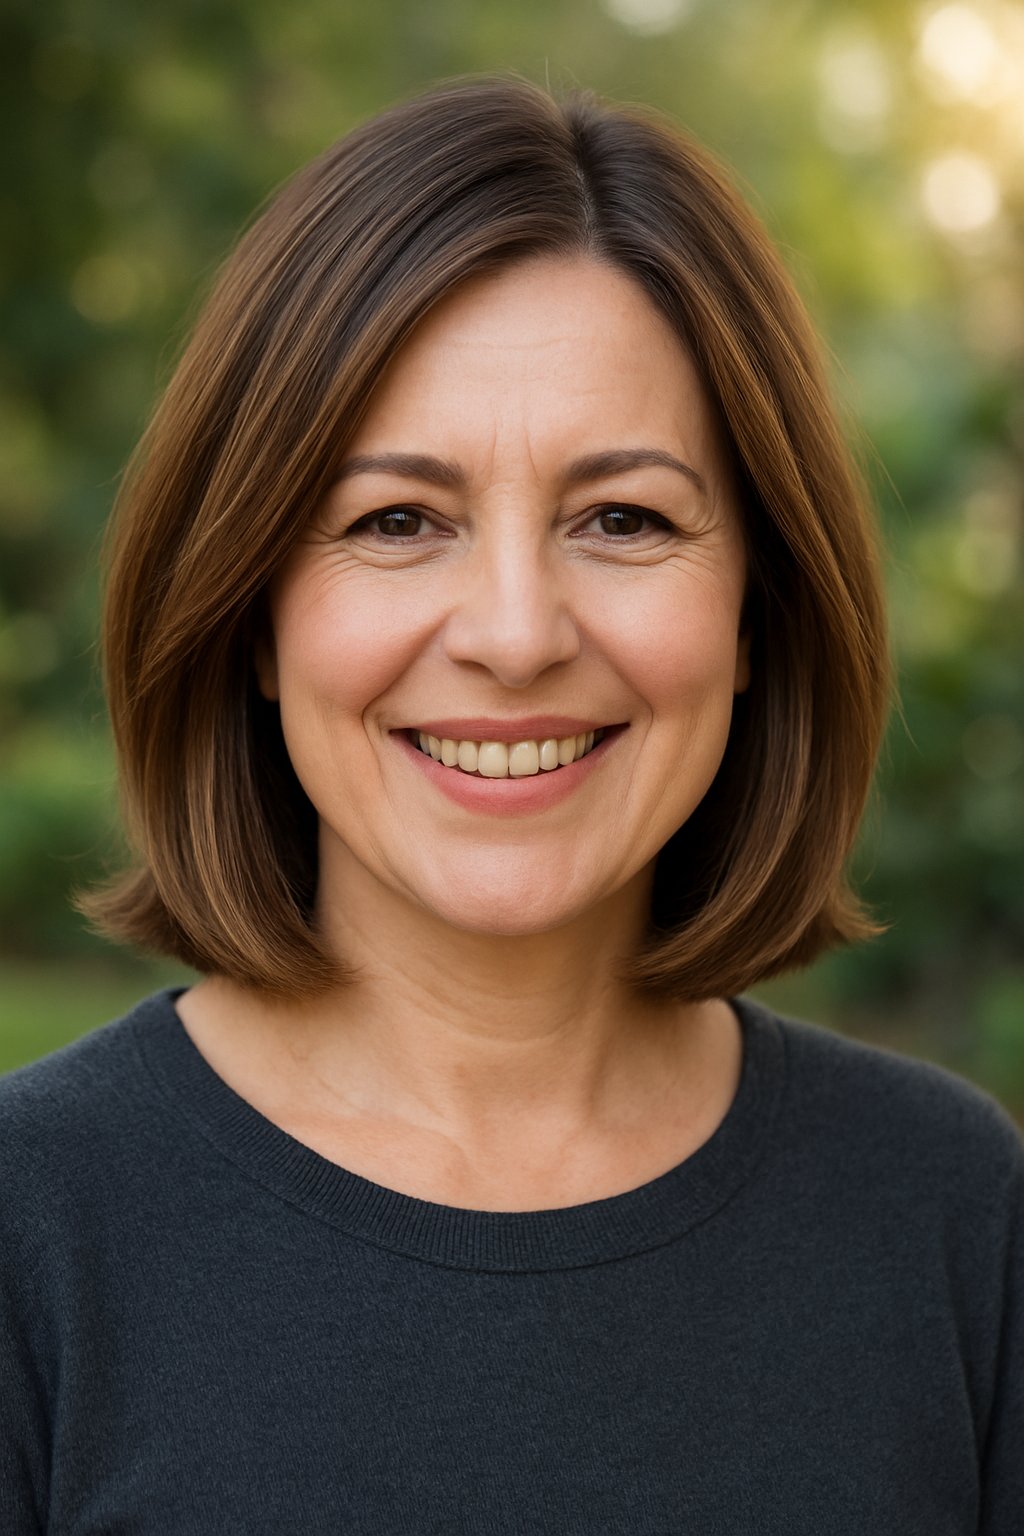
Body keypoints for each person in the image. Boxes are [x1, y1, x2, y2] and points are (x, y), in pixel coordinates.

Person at [1, 74, 1021, 1534]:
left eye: (624, 519)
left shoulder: (954, 1218)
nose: (516, 633)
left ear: (758, 613)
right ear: (252, 615)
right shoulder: (32, 1229)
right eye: (396, 521)